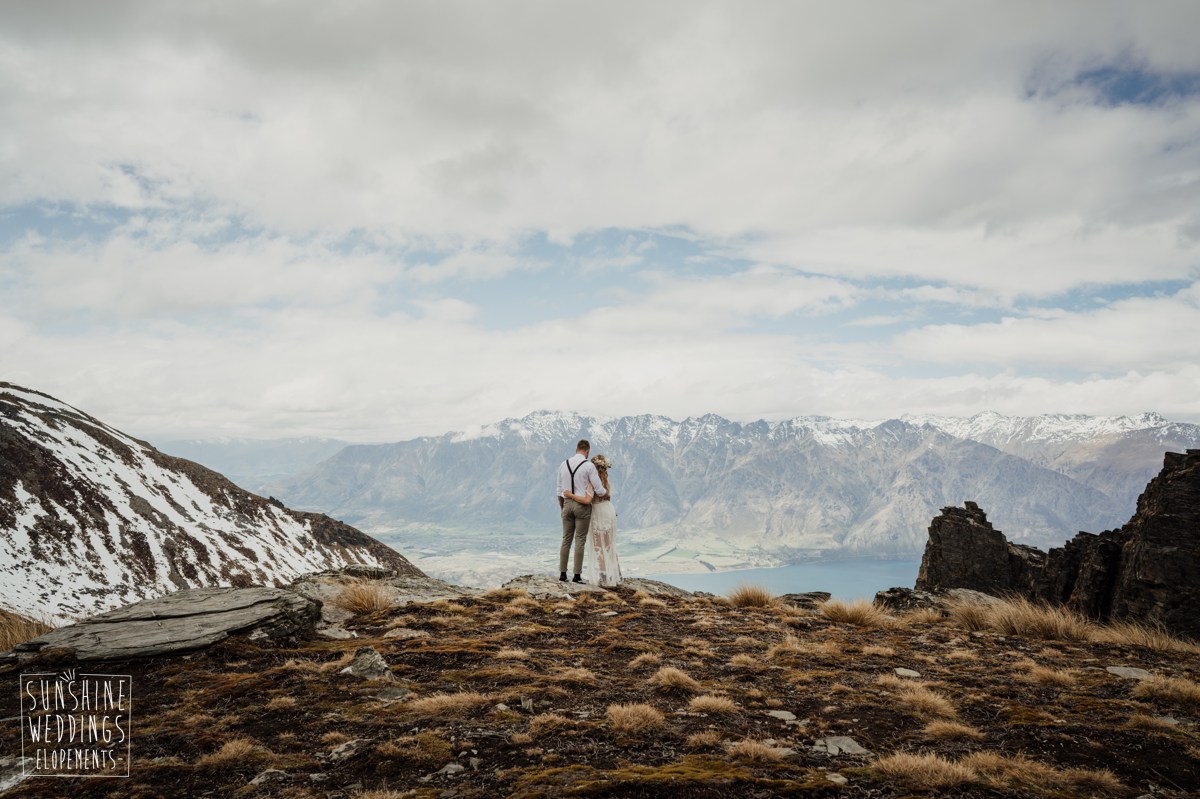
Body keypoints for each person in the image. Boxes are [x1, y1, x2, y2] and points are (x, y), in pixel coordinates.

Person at [562, 454, 621, 586]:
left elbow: (588, 500)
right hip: (608, 510)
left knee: (598, 546)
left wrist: (570, 495)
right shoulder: (605, 480)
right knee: (609, 544)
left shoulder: (592, 481)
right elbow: (608, 497)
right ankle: (616, 574)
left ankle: (604, 576)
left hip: (598, 512)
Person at [556, 439, 607, 583]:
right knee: (580, 540)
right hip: (582, 506)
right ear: (587, 451)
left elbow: (559, 490)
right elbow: (599, 490)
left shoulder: (563, 464)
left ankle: (562, 574)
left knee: (566, 539)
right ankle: (577, 576)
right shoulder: (589, 466)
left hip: (566, 504)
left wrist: (562, 507)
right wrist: (605, 492)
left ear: (576, 449)